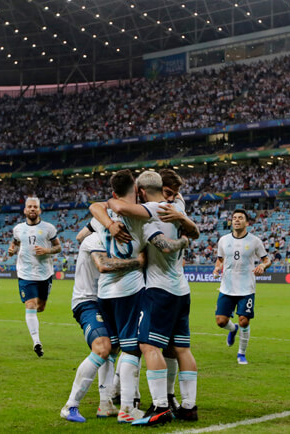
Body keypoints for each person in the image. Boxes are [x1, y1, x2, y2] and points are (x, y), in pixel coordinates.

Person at [106, 170, 200, 425]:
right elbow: (193, 232)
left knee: (149, 346)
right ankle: (189, 407)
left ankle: (160, 407)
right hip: (182, 289)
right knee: (181, 348)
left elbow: (164, 245)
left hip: (160, 290)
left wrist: (113, 211)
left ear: (142, 191)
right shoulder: (177, 205)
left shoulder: (148, 214)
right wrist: (186, 236)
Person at [60, 230, 143, 423]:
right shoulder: (94, 239)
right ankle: (70, 405)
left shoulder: (120, 241)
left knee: (113, 349)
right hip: (87, 301)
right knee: (102, 347)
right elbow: (103, 265)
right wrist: (139, 262)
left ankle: (106, 404)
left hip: (108, 299)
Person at [213, 209, 270, 365]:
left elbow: (267, 259)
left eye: (240, 218)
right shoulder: (223, 240)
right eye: (234, 218)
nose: (237, 220)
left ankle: (241, 353)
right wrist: (217, 268)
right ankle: (233, 329)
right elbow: (219, 259)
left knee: (244, 320)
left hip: (247, 288)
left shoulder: (255, 241)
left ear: (247, 222)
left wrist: (263, 266)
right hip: (227, 287)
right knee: (220, 321)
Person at [8, 197, 61, 357]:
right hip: (25, 273)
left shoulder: (48, 228)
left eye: (35, 207)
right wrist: (11, 250)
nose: (32, 209)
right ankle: (37, 342)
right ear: (25, 210)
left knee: (41, 307)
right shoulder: (18, 229)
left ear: (39, 210)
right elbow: (15, 243)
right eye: (29, 207)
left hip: (44, 273)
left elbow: (58, 247)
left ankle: (35, 330)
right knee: (30, 304)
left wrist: (47, 251)